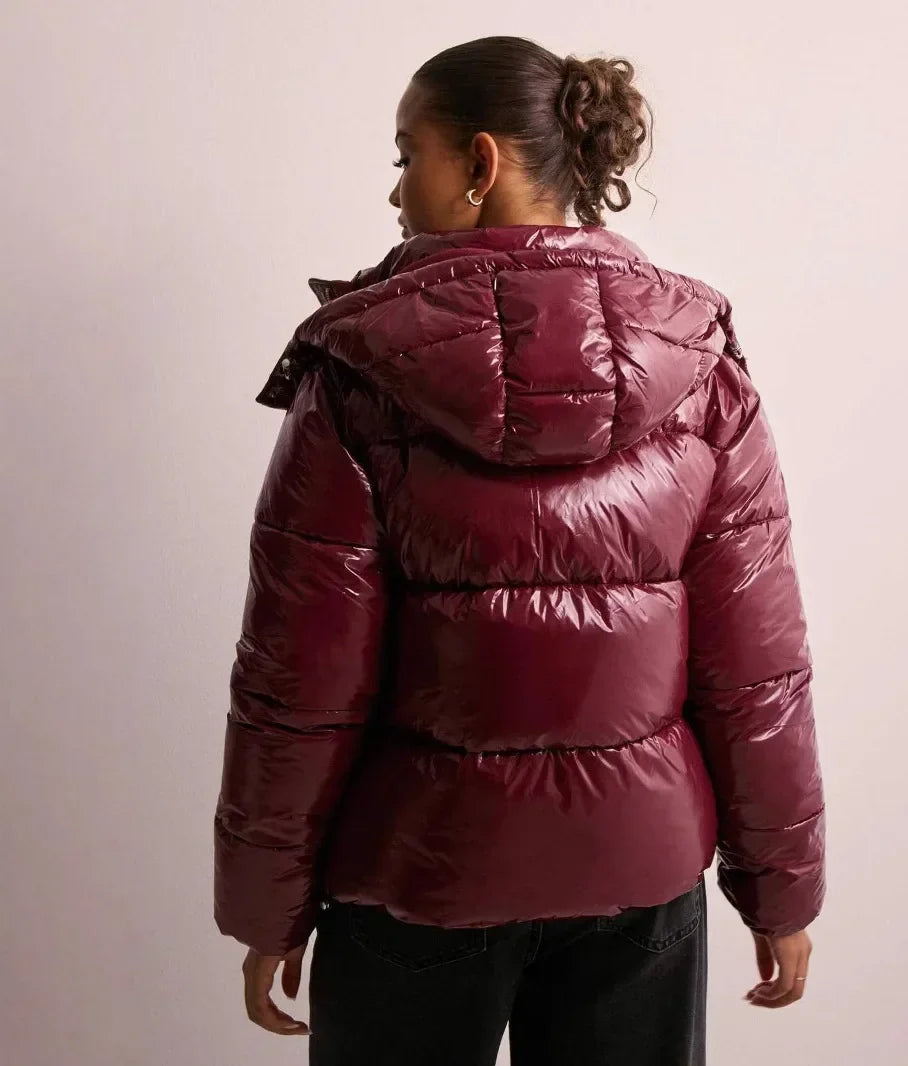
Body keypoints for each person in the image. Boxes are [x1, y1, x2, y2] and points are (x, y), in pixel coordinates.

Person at [212, 34, 826, 1066]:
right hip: (638, 878)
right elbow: (756, 672)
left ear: (480, 163)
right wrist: (782, 886)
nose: (397, 190)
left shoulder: (357, 375)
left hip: (416, 878)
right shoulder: (700, 369)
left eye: (409, 156)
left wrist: (265, 905)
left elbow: (299, 682)